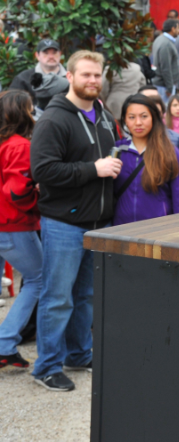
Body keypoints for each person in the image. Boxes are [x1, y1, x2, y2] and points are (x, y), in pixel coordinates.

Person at [30, 50, 120, 391]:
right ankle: (46, 367)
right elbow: (43, 170)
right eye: (86, 75)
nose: (93, 81)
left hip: (99, 223)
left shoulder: (104, 115)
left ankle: (79, 354)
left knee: (86, 296)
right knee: (57, 298)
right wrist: (92, 170)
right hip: (64, 224)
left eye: (97, 75)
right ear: (69, 76)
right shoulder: (54, 120)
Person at [0, 91, 41, 371]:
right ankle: (4, 344)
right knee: (39, 279)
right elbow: (16, 190)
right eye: (30, 108)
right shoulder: (19, 145)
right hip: (14, 223)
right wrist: (38, 197)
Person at [113, 95, 179, 224]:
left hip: (157, 230)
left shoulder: (169, 151)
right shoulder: (117, 150)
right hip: (121, 228)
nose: (138, 122)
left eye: (144, 116)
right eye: (131, 117)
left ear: (154, 118)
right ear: (125, 120)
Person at [10, 39, 69, 111]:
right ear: (37, 55)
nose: (51, 56)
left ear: (60, 54)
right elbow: (12, 105)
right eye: (46, 53)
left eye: (54, 52)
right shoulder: (23, 78)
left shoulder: (71, 77)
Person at [152, 19, 179, 103]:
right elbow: (165, 68)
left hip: (163, 85)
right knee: (165, 112)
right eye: (178, 28)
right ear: (173, 29)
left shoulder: (161, 39)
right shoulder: (166, 44)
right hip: (164, 86)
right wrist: (169, 88)